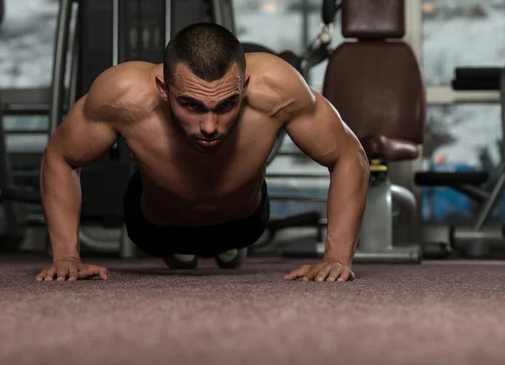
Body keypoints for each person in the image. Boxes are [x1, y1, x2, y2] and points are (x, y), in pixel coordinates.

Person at [36, 23, 369, 283]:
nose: (210, 126)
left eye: (226, 105)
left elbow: (348, 155)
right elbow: (60, 156)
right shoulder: (124, 94)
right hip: (153, 228)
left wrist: (337, 257)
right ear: (164, 90)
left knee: (231, 242)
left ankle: (227, 249)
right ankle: (179, 252)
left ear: (246, 85)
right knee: (168, 240)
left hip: (244, 222)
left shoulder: (278, 87)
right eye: (191, 105)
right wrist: (66, 257)